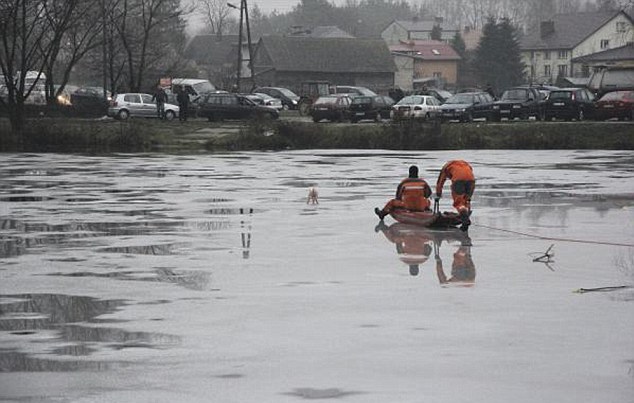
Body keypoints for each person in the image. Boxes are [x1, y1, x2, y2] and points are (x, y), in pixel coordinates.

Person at [435, 160, 475, 231]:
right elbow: (470, 172)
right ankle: (465, 220)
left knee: (459, 203)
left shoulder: (445, 168)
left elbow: (440, 182)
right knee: (466, 200)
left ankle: (465, 220)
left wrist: (438, 194)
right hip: (471, 180)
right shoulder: (465, 164)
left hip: (458, 180)